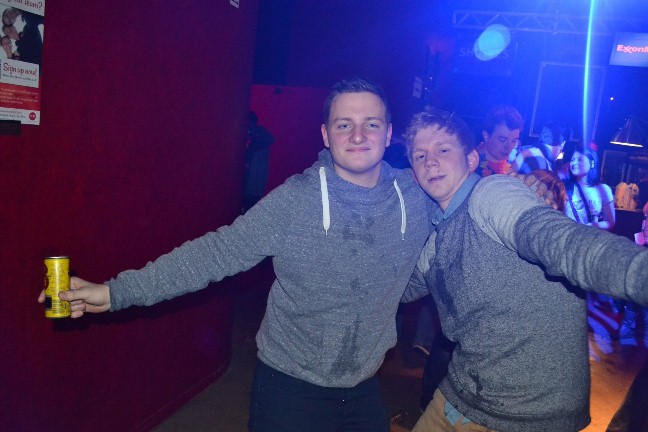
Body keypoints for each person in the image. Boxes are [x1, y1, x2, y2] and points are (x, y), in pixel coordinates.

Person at [38, 77, 435, 432]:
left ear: (389, 134)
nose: (358, 135)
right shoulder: (296, 200)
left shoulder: (416, 197)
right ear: (325, 135)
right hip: (291, 389)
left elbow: (439, 244)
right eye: (344, 124)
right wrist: (115, 293)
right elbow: (216, 253)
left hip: (364, 388)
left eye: (372, 124)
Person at [400, 106, 648, 432]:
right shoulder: (438, 236)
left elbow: (562, 242)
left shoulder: (492, 194)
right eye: (420, 156)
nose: (430, 161)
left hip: (527, 413)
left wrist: (637, 272)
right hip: (461, 392)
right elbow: (398, 289)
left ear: (472, 159)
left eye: (443, 150)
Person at [563, 141, 615, 231]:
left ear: (592, 163)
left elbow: (610, 222)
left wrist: (590, 226)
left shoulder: (603, 189)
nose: (574, 163)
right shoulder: (564, 188)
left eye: (580, 159)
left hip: (592, 237)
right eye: (572, 160)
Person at [475, 105, 523, 177]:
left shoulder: (508, 168)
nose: (508, 147)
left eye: (513, 141)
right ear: (486, 136)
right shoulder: (472, 167)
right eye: (502, 140)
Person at [242, 111, 275, 213]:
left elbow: (271, 139)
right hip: (247, 184)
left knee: (250, 207)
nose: (248, 126)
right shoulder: (247, 136)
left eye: (250, 123)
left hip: (255, 184)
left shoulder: (261, 136)